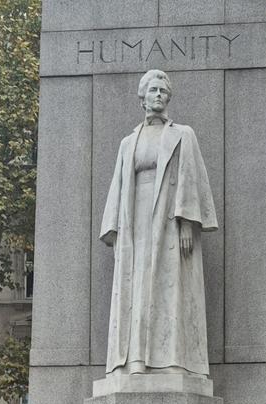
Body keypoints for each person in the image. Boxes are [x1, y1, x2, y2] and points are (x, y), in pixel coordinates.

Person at [101, 69, 218, 381]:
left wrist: (187, 224)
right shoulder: (128, 142)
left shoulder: (183, 134)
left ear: (168, 97)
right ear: (142, 97)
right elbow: (118, 186)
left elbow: (191, 179)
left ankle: (172, 360)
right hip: (135, 224)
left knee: (171, 290)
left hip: (168, 222)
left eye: (162, 92)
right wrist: (115, 231)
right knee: (136, 291)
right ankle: (134, 361)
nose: (157, 96)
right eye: (152, 90)